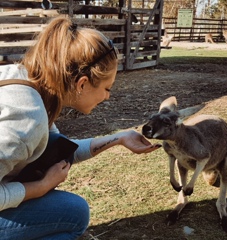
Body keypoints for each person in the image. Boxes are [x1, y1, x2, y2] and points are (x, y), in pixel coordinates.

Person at [0, 16, 160, 240]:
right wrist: (42, 186)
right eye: (107, 88)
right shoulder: (27, 120)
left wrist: (119, 139)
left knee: (72, 208)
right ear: (82, 84)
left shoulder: (31, 84)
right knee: (74, 217)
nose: (107, 96)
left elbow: (63, 150)